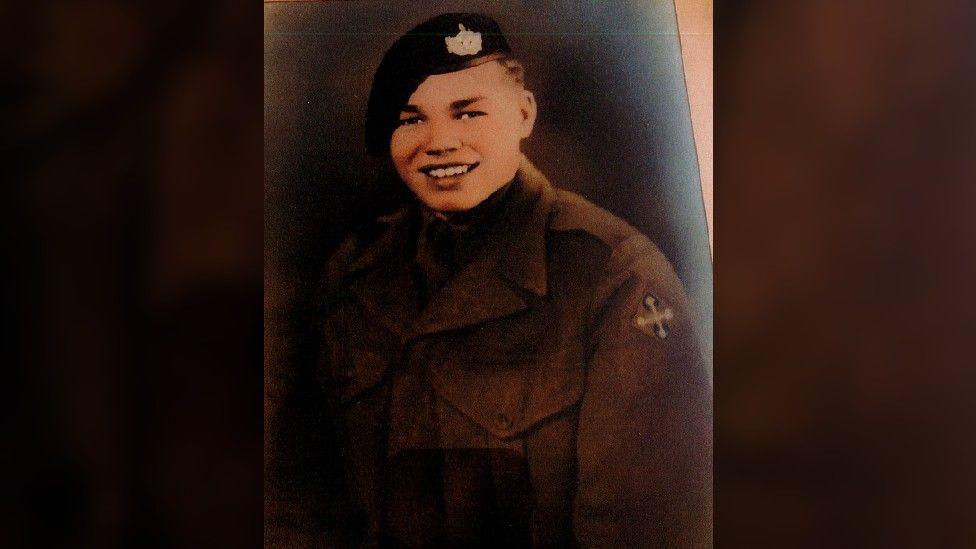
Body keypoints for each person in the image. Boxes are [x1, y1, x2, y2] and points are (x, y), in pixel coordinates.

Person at [304, 12, 711, 548]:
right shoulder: (355, 273)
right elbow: (305, 498)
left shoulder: (614, 276)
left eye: (467, 112)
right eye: (410, 119)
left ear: (523, 114)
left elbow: (648, 526)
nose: (438, 142)